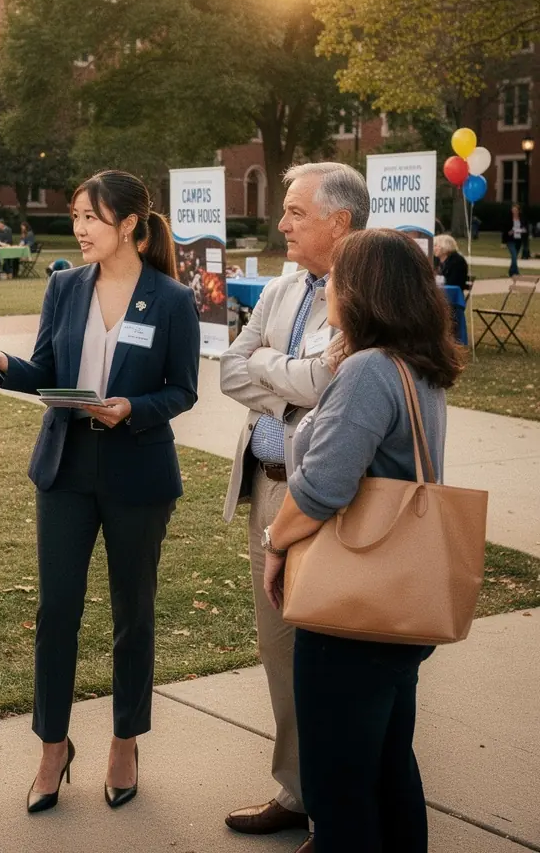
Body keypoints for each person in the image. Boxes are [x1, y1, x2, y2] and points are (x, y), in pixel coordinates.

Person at [0, 169, 200, 814]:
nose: (79, 228)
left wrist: (131, 408)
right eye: (77, 215)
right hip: (64, 469)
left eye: (90, 217)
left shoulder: (171, 299)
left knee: (132, 615)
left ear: (129, 225)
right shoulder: (64, 286)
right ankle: (53, 747)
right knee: (57, 611)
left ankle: (124, 742)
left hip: (137, 472)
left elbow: (182, 390)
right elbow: (46, 372)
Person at [262, 228, 464, 853]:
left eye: (339, 282)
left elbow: (322, 489)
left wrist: (275, 544)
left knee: (339, 785)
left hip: (353, 612)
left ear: (362, 292)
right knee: (387, 764)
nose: (330, 294)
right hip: (402, 602)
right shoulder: (418, 365)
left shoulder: (370, 372)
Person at [219, 162, 369, 853]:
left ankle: (339, 812)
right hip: (267, 488)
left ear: (338, 221)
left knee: (331, 658)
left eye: (295, 212)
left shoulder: (371, 290)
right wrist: (290, 378)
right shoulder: (281, 289)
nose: (281, 224)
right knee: (279, 649)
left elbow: (331, 379)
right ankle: (298, 791)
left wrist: (273, 371)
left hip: (329, 501)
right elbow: (228, 368)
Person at [504, 204, 527, 276]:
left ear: (518, 211)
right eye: (513, 210)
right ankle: (516, 272)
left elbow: (525, 229)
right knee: (514, 255)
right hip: (510, 240)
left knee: (514, 257)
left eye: (516, 210)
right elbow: (505, 230)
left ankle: (511, 272)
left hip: (518, 240)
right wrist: (503, 241)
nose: (514, 212)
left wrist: (523, 230)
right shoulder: (508, 219)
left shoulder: (522, 219)